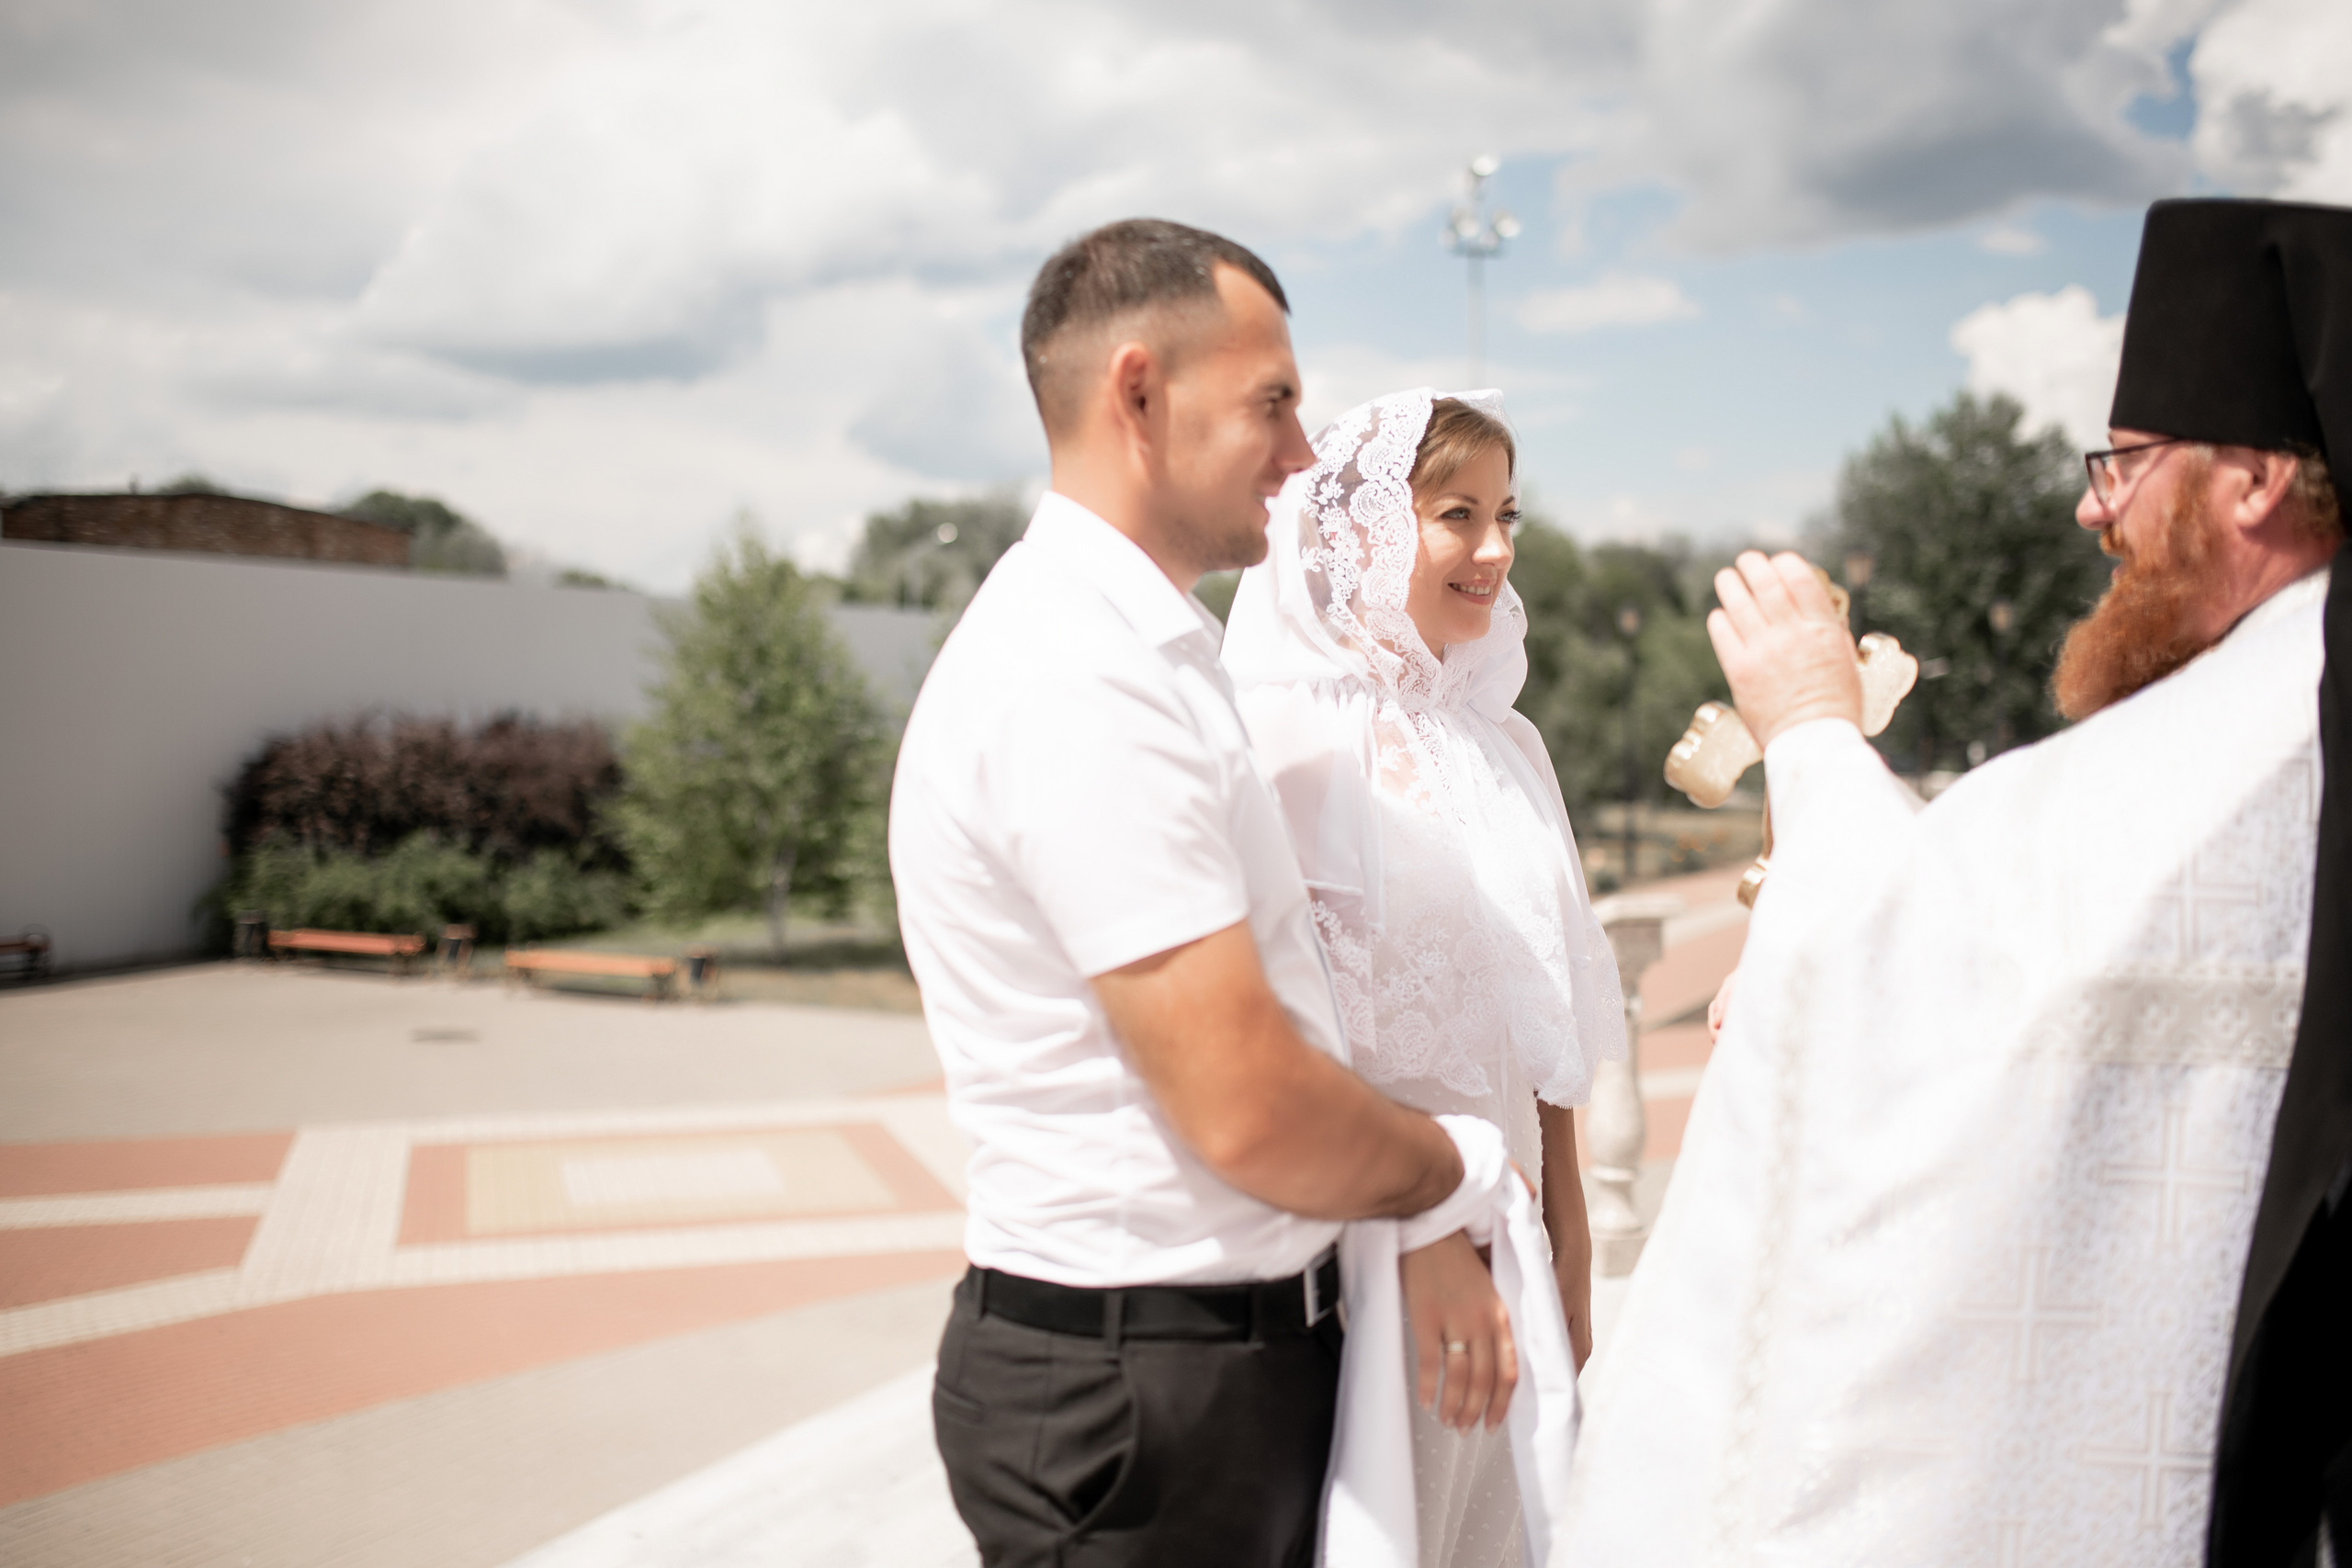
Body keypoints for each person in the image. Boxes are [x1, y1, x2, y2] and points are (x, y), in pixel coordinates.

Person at [1561, 196, 2349, 1566]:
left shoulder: (2288, 704)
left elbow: (1916, 956)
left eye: (2129, 462)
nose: (2097, 507)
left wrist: (1809, 726)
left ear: (2255, 481)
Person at [889, 220, 1520, 1568]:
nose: (1303, 458)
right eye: (1274, 403)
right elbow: (1246, 1097)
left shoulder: (1142, 649)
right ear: (1137, 392)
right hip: (1138, 1392)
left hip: (1190, 1364)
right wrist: (1455, 1171)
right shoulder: (1081, 677)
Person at [1222, 388, 1624, 1566]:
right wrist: (1418, 1227)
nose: (1495, 550)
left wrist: (1571, 1242)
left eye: (1508, 515)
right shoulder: (1282, 742)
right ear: (1358, 533)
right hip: (1364, 1253)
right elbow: (1279, 1033)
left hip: (1510, 1250)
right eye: (1458, 514)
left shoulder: (1506, 743)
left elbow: (1543, 1012)